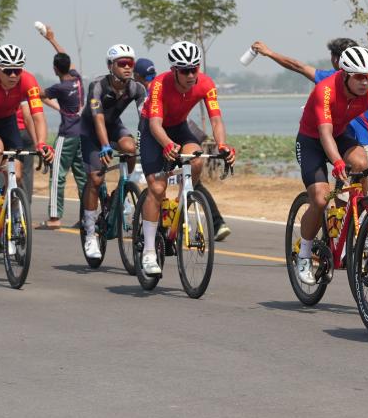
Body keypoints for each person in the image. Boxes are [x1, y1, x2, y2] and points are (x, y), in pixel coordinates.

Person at [137, 41, 236, 276]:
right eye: (185, 71)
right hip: (154, 130)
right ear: (174, 70)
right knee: (157, 188)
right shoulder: (159, 84)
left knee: (197, 160)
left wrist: (222, 144)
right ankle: (149, 251)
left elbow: (216, 120)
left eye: (195, 69)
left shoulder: (206, 83)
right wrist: (167, 144)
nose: (191, 75)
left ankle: (182, 202)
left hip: (180, 126)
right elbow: (155, 124)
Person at [293, 46, 368, 284]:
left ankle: (355, 222)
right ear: (344, 75)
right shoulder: (325, 90)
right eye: (359, 77)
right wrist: (337, 161)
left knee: (361, 163)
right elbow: (324, 133)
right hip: (312, 141)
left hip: (340, 135)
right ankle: (304, 254)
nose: (365, 82)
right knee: (320, 199)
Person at [0, 45, 54, 238]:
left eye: (18, 69)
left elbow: (38, 116)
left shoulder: (28, 80)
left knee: (16, 172)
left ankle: (13, 211)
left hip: (7, 120)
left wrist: (41, 143)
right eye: (8, 71)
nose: (14, 75)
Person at [251, 38, 368, 149]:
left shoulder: (331, 80)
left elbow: (298, 66)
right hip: (365, 144)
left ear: (337, 60)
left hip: (360, 144)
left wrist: (269, 52)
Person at [78, 44, 147, 259]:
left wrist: (144, 141)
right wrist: (105, 145)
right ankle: (90, 234)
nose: (128, 67)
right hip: (91, 129)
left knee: (130, 149)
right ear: (110, 66)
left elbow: (145, 118)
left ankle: (119, 194)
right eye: (122, 63)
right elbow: (98, 118)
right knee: (96, 179)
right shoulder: (98, 85)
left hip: (114, 125)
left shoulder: (137, 88)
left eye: (130, 63)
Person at [38, 25, 86, 229]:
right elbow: (66, 56)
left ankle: (54, 218)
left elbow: (38, 95)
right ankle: (87, 218)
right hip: (83, 135)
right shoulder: (77, 79)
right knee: (82, 177)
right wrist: (52, 39)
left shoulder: (59, 87)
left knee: (57, 175)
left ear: (55, 69)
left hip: (67, 136)